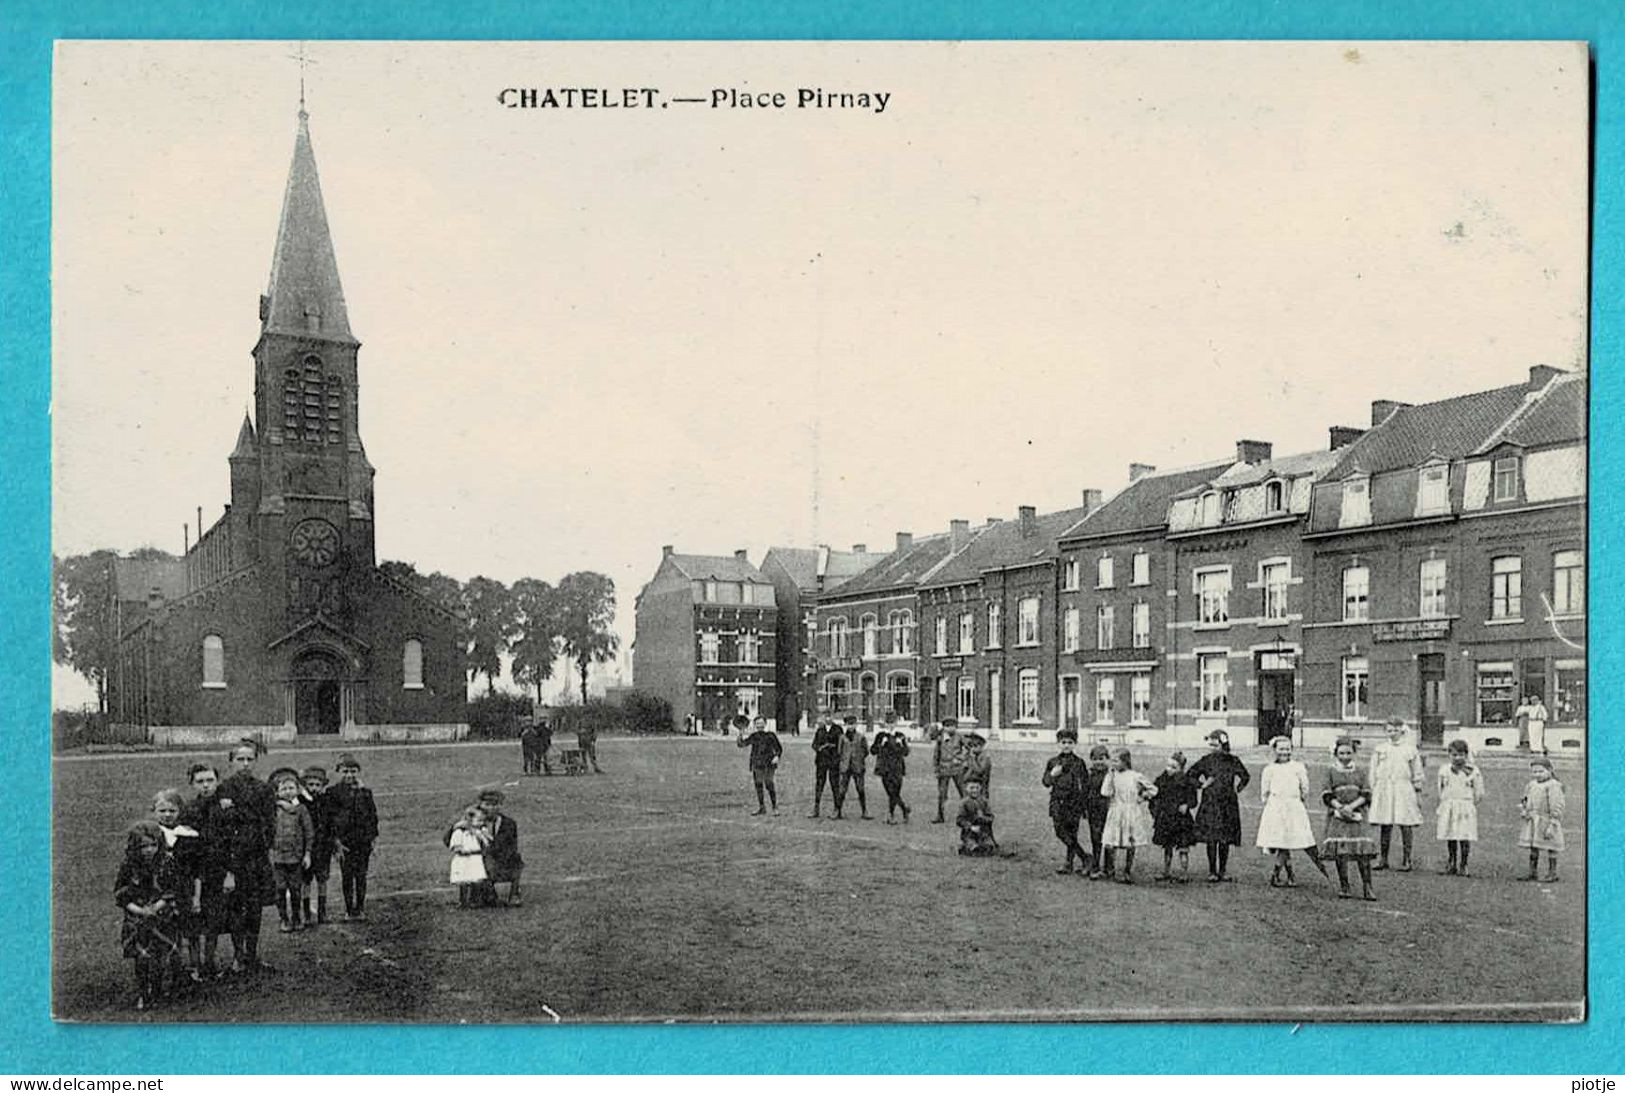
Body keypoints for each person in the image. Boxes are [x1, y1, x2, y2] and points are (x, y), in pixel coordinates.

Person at [216, 738, 276, 972]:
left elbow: (269, 823)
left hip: (256, 857)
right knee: (236, 908)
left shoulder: (263, 789)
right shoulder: (224, 788)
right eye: (240, 759)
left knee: (255, 908)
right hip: (233, 858)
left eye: (249, 759)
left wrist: (261, 842)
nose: (245, 764)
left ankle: (252, 954)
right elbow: (224, 823)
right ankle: (238, 955)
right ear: (231, 762)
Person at [114, 820, 184, 1010]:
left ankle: (158, 989)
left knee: (162, 955)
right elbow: (121, 894)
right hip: (137, 916)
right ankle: (143, 992)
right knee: (142, 957)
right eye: (143, 846)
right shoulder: (129, 865)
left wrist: (157, 907)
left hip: (162, 914)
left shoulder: (167, 862)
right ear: (135, 847)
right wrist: (141, 910)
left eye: (153, 845)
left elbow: (172, 890)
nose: (149, 850)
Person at [1254, 736, 1324, 888]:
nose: (1284, 752)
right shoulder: (1269, 769)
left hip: (1293, 806)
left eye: (1287, 749)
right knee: (1282, 842)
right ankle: (1283, 875)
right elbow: (1264, 791)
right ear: (1274, 750)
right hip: (1276, 807)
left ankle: (1283, 875)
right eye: (1281, 749)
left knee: (1286, 842)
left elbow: (1305, 787)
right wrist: (1271, 804)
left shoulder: (1298, 767)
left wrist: (1299, 800)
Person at [180, 762, 229, 977]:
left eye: (210, 780)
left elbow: (231, 845)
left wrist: (229, 873)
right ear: (192, 784)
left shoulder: (226, 808)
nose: (206, 786)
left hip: (217, 871)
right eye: (200, 782)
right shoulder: (188, 810)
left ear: (217, 782)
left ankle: (210, 961)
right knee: (192, 918)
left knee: (213, 918)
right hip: (193, 873)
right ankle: (194, 963)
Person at [151, 788, 203, 983]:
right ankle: (173, 970)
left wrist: (196, 897)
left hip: (185, 891)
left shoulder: (189, 836)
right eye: (162, 810)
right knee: (167, 932)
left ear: (180, 811)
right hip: (161, 892)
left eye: (172, 811)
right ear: (154, 811)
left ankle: (195, 967)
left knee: (191, 932)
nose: (167, 815)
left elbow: (197, 871)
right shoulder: (151, 836)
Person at [1189, 729, 1250, 883]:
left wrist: (1238, 788)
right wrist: (1201, 784)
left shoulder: (1233, 760)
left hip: (1228, 804)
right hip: (1210, 803)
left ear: (1224, 744)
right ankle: (1212, 871)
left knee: (1225, 838)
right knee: (1211, 838)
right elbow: (1190, 774)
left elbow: (1245, 776)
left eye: (1215, 745)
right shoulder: (1206, 760)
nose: (1212, 748)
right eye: (1210, 745)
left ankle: (1222, 871)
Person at [1321, 736, 1378, 901]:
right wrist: (1340, 807)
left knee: (1362, 852)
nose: (1345, 756)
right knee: (1342, 851)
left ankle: (1368, 887)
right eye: (1341, 753)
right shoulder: (1330, 771)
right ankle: (1345, 886)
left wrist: (1351, 808)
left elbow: (1366, 793)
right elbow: (1327, 794)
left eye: (1348, 753)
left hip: (1357, 815)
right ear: (1336, 754)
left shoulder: (1360, 771)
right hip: (1338, 816)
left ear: (1354, 753)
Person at [1368, 717, 1424, 871]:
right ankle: (1383, 859)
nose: (1392, 733)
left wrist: (1417, 788)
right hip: (1384, 787)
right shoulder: (1380, 749)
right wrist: (1374, 788)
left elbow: (1417, 771)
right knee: (1385, 823)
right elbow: (1373, 770)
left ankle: (1407, 860)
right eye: (1389, 730)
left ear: (1402, 730)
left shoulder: (1410, 749)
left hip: (1403, 788)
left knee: (1405, 823)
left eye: (1395, 730)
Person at [328, 752, 379, 921]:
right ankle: (349, 909)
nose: (349, 775)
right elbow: (329, 819)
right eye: (345, 771)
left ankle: (360, 908)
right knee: (347, 876)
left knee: (361, 875)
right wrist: (335, 842)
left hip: (362, 842)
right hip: (345, 843)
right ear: (339, 772)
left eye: (353, 771)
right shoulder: (333, 792)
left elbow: (372, 816)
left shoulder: (365, 792)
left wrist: (373, 839)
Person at [267, 767, 315, 933]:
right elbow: (268, 832)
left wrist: (307, 853)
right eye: (284, 788)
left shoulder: (301, 809)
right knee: (280, 890)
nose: (288, 792)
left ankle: (296, 917)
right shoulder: (273, 809)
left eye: (291, 788)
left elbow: (309, 832)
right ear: (277, 791)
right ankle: (284, 919)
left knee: (295, 890)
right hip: (278, 858)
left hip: (296, 857)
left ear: (297, 790)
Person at [1100, 748, 1157, 883]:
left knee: (1130, 842)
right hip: (1116, 810)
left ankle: (1127, 870)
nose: (1113, 763)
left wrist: (1142, 797)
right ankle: (1110, 869)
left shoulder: (1135, 776)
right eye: (1112, 761)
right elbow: (1105, 793)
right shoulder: (1112, 776)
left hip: (1130, 811)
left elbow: (1153, 789)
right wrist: (1109, 777)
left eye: (1116, 761)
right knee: (1111, 840)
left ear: (1125, 761)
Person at [1042, 728, 1089, 874]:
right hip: (1057, 801)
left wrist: (1083, 805)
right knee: (1060, 831)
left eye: (1070, 742)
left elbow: (1085, 784)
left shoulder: (1079, 762)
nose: (1066, 745)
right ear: (1058, 743)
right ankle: (1085, 857)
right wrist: (1052, 774)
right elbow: (1046, 782)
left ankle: (1068, 863)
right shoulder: (1053, 762)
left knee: (1072, 832)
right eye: (1063, 742)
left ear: (1075, 744)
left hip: (1073, 802)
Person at [1436, 739, 1486, 877]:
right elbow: (1440, 788)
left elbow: (1479, 791)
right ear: (1449, 755)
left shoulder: (1473, 771)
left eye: (1461, 755)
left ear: (1466, 755)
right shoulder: (1444, 770)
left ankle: (1464, 864)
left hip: (1465, 806)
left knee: (1464, 835)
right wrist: (1445, 801)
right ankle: (1451, 862)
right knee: (1451, 834)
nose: (1457, 758)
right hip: (1449, 804)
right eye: (1454, 755)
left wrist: (1470, 803)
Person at [1151, 751, 1198, 883]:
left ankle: (1184, 872)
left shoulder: (1186, 781)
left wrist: (1187, 805)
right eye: (1168, 766)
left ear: (1181, 768)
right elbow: (1155, 791)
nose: (1169, 769)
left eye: (1173, 767)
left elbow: (1193, 799)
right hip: (1166, 817)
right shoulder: (1162, 779)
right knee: (1167, 846)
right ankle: (1166, 870)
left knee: (1183, 848)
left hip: (1181, 820)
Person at [1518, 756, 1565, 882]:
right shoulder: (1531, 785)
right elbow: (1525, 798)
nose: (1537, 774)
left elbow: (1557, 805)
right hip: (1534, 820)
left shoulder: (1553, 786)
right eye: (1534, 772)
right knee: (1534, 846)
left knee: (1552, 846)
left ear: (1549, 770)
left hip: (1547, 820)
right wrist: (1525, 809)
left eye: (1541, 771)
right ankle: (1532, 872)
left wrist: (1553, 823)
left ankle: (1552, 872)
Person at [301, 765, 336, 925]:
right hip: (306, 848)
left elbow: (331, 823)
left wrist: (333, 843)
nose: (314, 788)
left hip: (323, 848)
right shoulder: (301, 802)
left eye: (317, 785)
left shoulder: (327, 801)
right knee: (306, 881)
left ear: (323, 786)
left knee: (322, 880)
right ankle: (307, 914)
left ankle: (322, 912)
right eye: (311, 784)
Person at [477, 788, 525, 905]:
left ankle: (513, 893)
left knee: (517, 859)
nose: (491, 808)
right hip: (477, 861)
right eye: (487, 804)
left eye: (495, 804)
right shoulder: (472, 821)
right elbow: (449, 840)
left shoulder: (509, 823)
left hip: (499, 860)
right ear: (480, 805)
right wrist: (458, 826)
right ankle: (484, 892)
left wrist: (495, 857)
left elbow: (512, 847)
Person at [736, 714, 783, 815]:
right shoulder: (754, 736)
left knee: (769, 783)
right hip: (757, 763)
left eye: (761, 723)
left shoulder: (770, 735)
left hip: (769, 764)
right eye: (757, 723)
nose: (760, 725)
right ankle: (762, 807)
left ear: (765, 724)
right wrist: (740, 733)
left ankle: (775, 807)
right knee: (758, 785)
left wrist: (777, 757)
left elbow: (779, 748)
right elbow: (742, 744)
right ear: (755, 725)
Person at [447, 804, 492, 909]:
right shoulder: (459, 832)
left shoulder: (479, 833)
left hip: (475, 859)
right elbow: (456, 847)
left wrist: (484, 836)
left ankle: (474, 901)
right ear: (469, 820)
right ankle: (463, 901)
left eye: (482, 821)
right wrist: (464, 850)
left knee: (475, 880)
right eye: (479, 820)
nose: (481, 823)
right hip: (464, 860)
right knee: (464, 881)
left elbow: (488, 843)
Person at [871, 715, 912, 824]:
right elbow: (873, 750)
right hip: (885, 768)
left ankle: (891, 815)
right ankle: (904, 808)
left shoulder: (900, 735)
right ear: (885, 723)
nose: (890, 725)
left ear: (896, 723)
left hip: (897, 768)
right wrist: (881, 744)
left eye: (892, 723)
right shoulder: (880, 735)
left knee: (895, 792)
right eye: (888, 723)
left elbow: (906, 752)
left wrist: (900, 745)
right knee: (891, 792)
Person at [1082, 744, 1113, 879]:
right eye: (1095, 759)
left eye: (1102, 758)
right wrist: (1084, 808)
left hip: (1108, 810)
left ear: (1107, 759)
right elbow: (1085, 792)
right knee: (1095, 838)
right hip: (1093, 810)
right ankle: (1095, 865)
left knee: (1108, 839)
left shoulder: (1111, 775)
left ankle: (1108, 868)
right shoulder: (1090, 775)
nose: (1098, 762)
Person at [836, 715, 872, 820]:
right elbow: (839, 751)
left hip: (857, 766)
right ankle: (838, 810)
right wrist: (844, 761)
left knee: (860, 789)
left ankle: (864, 811)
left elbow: (866, 751)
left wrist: (859, 759)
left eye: (852, 724)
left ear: (856, 724)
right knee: (842, 790)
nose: (851, 726)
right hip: (845, 767)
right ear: (846, 725)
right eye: (849, 724)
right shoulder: (842, 737)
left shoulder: (861, 737)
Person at [930, 719, 967, 823]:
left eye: (952, 726)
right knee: (942, 794)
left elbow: (969, 749)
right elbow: (936, 754)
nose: (950, 728)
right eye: (947, 726)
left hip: (957, 769)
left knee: (963, 792)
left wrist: (960, 758)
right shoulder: (940, 738)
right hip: (944, 768)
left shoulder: (959, 737)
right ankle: (940, 815)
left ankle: (967, 814)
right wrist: (936, 768)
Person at [808, 716, 843, 818]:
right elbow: (814, 744)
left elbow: (841, 744)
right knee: (819, 785)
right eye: (826, 716)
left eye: (830, 716)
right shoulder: (820, 730)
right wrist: (819, 748)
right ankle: (816, 808)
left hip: (833, 761)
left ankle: (837, 809)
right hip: (821, 761)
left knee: (835, 785)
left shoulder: (838, 729)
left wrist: (834, 748)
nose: (828, 718)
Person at [955, 780, 998, 856]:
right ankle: (965, 847)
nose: (975, 790)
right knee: (974, 848)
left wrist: (983, 818)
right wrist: (971, 827)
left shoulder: (984, 802)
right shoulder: (964, 803)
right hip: (969, 833)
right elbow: (959, 820)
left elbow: (991, 817)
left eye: (977, 788)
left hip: (984, 832)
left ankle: (982, 846)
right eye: (972, 788)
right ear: (966, 789)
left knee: (989, 848)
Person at [961, 731, 992, 805]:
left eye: (975, 746)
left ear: (981, 746)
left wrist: (972, 759)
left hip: (981, 787)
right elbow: (964, 776)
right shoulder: (969, 756)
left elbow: (980, 771)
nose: (972, 748)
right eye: (970, 746)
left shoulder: (985, 757)